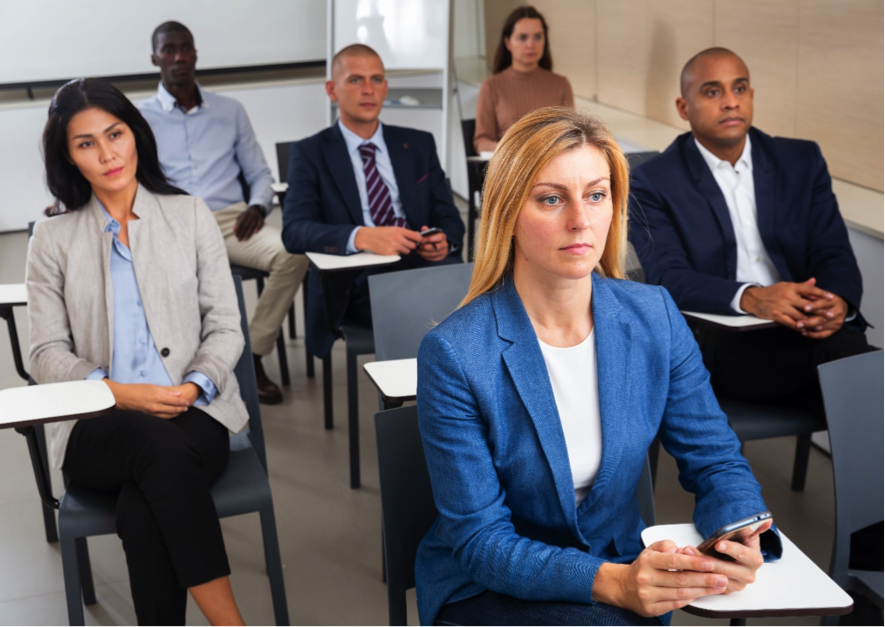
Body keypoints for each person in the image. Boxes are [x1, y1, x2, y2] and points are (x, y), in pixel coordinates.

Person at [415, 107, 781, 627]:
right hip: (492, 585)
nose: (580, 220)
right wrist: (612, 582)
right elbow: (481, 543)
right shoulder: (453, 353)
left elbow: (715, 459)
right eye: (550, 198)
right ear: (506, 213)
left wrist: (737, 531)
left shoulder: (654, 315)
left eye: (596, 194)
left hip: (625, 568)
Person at [27, 78, 247, 626]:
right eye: (85, 144)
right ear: (68, 157)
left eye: (115, 134)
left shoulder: (190, 214)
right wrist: (120, 393)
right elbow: (45, 352)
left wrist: (193, 386)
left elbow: (225, 326)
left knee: (143, 505)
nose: (106, 155)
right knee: (153, 447)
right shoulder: (50, 239)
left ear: (136, 135)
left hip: (192, 410)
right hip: (97, 423)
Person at [627, 47, 874, 415]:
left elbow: (832, 250)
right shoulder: (653, 181)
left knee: (858, 395)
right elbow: (667, 276)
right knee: (861, 376)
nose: (730, 102)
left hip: (806, 333)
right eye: (713, 92)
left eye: (739, 89)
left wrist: (837, 301)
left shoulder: (800, 161)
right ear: (683, 107)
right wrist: (752, 297)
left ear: (752, 96)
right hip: (724, 343)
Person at [140, 20, 308, 404]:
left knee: (293, 254)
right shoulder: (139, 118)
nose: (179, 57)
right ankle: (186, 367)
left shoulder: (230, 110)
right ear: (155, 58)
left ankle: (252, 354)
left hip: (231, 221)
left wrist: (258, 204)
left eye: (185, 48)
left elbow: (260, 173)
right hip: (173, 223)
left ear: (196, 53)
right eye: (169, 50)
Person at [282, 44, 465, 359]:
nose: (368, 90)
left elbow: (449, 217)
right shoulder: (310, 153)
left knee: (478, 295)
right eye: (355, 80)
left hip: (421, 266)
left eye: (377, 79)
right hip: (357, 280)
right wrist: (362, 236)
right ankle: (422, 399)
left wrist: (443, 240)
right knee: (437, 317)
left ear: (386, 87)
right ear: (331, 90)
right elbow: (295, 231)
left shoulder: (419, 144)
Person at [473, 5, 573, 154]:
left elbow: (571, 136)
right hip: (511, 169)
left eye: (538, 37)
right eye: (522, 37)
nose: (531, 44)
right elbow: (481, 142)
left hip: (553, 167)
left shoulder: (561, 84)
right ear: (508, 43)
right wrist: (515, 152)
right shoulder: (491, 87)